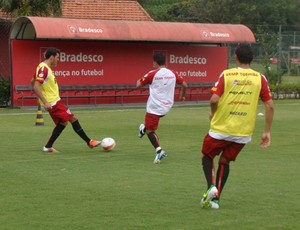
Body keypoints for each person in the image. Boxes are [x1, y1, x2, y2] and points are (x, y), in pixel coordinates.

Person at [200, 43, 274, 209]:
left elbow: (213, 99)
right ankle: (215, 200)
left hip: (220, 128)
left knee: (207, 155)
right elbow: (270, 106)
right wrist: (266, 132)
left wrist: (213, 113)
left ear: (235, 57)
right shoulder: (260, 78)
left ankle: (211, 187)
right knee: (225, 161)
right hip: (242, 133)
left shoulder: (227, 74)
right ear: (252, 59)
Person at [31, 47, 101, 153]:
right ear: (51, 57)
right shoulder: (44, 69)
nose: (58, 60)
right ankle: (89, 142)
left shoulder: (43, 67)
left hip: (52, 101)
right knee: (73, 118)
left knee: (63, 123)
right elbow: (36, 85)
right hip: (53, 103)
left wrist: (40, 98)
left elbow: (32, 81)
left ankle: (48, 147)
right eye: (57, 57)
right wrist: (44, 101)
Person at [136, 52, 188, 164]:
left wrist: (144, 82)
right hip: (167, 106)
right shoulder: (173, 73)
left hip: (154, 107)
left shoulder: (152, 73)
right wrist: (182, 95)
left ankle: (159, 150)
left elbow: (138, 84)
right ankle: (142, 129)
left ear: (155, 62)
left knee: (150, 131)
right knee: (148, 126)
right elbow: (184, 85)